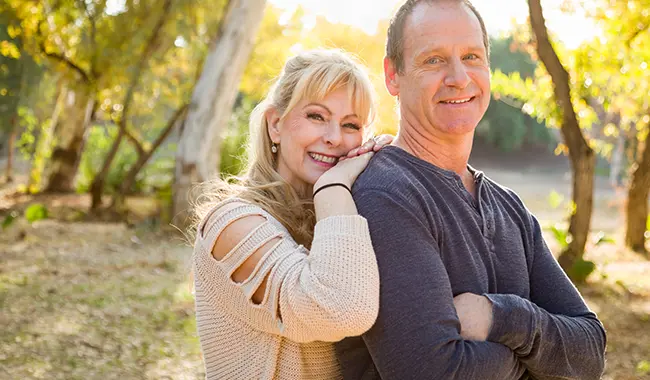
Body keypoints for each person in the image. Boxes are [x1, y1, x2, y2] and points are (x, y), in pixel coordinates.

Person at [335, 1, 607, 379]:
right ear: (393, 75)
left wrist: (500, 316)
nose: (459, 77)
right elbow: (433, 373)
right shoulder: (386, 195)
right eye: (434, 60)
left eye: (471, 56)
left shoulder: (509, 207)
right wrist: (535, 365)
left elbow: (591, 352)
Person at [191, 49, 392, 380]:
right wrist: (336, 183)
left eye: (351, 125)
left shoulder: (345, 222)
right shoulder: (231, 224)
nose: (334, 138)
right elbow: (344, 311)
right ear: (275, 124)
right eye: (316, 116)